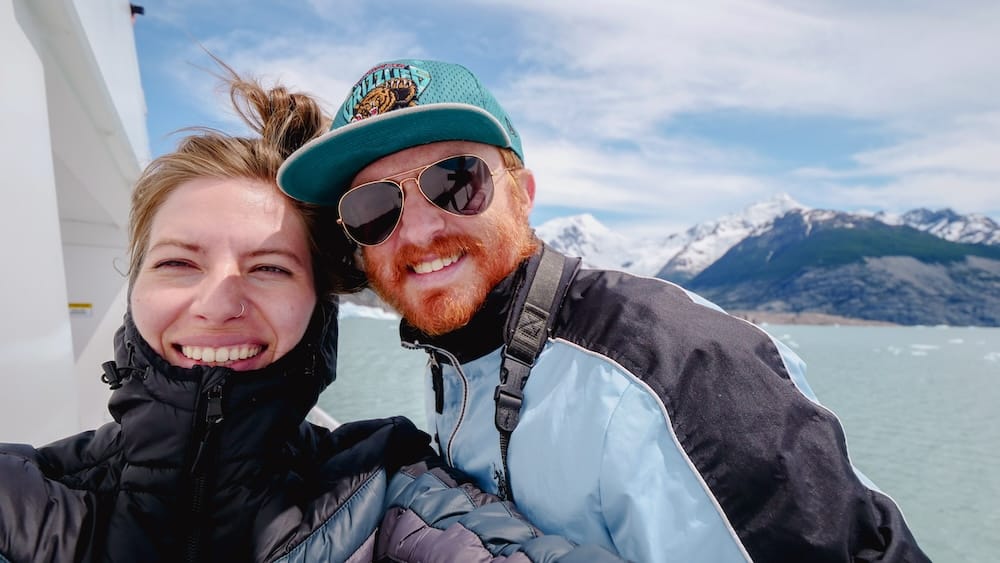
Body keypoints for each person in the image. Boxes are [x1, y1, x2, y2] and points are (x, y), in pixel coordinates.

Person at [276, 58, 932, 563]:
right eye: (373, 208)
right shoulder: (460, 349)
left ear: (523, 195)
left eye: (456, 180)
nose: (416, 233)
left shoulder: (676, 372)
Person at [0, 71, 624, 563]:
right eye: (178, 264)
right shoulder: (21, 499)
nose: (217, 302)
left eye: (270, 267)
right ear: (135, 289)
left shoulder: (385, 491)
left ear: (319, 303)